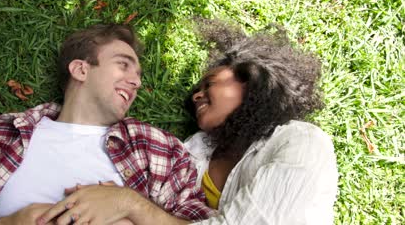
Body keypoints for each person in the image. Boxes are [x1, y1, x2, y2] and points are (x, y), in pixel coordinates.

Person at [38, 20, 338, 225]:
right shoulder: (195, 150)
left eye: (209, 84)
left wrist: (129, 204)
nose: (197, 95)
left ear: (252, 81)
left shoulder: (300, 142)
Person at [0, 24, 214, 224]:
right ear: (81, 69)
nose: (137, 81)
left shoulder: (159, 148)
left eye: (138, 74)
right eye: (124, 65)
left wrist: (130, 205)